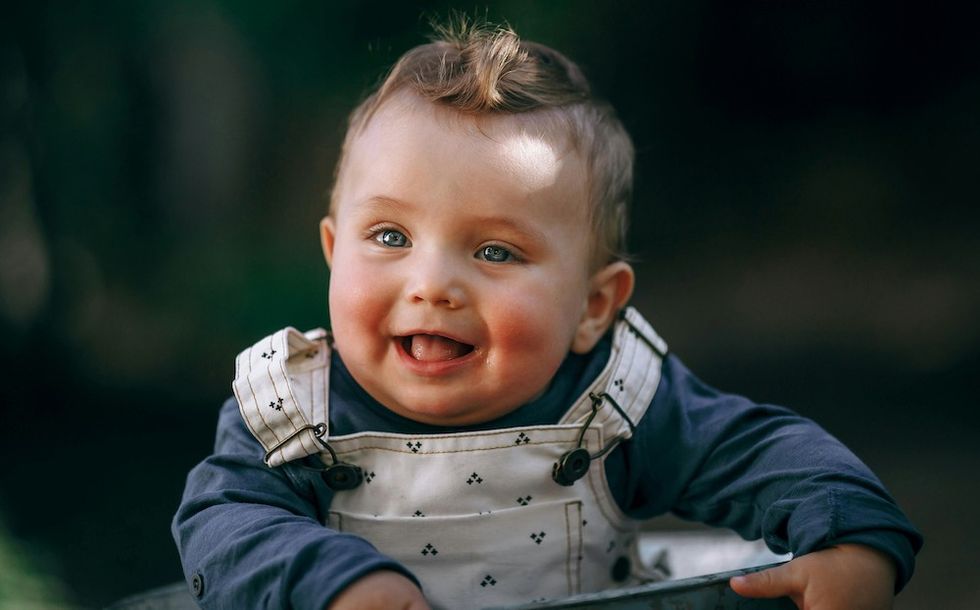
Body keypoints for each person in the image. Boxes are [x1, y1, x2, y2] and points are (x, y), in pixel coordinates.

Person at [172, 17, 921, 610]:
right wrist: (333, 584)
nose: (432, 285)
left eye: (495, 251)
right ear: (335, 253)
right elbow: (225, 525)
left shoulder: (613, 404)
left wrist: (852, 536)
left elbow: (762, 452)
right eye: (391, 237)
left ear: (593, 308)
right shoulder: (293, 417)